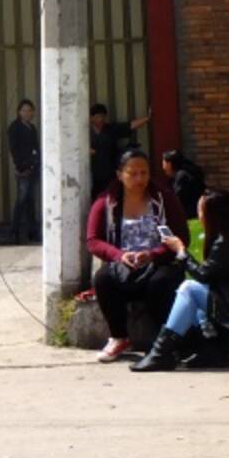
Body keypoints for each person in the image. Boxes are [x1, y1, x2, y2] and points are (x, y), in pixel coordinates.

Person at [133, 189, 229, 372]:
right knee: (198, 290)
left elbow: (202, 274)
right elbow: (211, 276)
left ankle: (160, 354)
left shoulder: (226, 242)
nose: (199, 216)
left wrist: (180, 251)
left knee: (188, 289)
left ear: (214, 215)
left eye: (201, 211)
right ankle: (212, 350)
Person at [86, 147, 189, 363]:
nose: (139, 179)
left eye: (144, 173)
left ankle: (164, 340)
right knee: (103, 279)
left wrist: (153, 254)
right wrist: (118, 255)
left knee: (160, 283)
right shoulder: (106, 202)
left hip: (160, 262)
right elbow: (93, 240)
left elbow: (181, 236)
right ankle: (119, 337)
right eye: (132, 173)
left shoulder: (164, 199)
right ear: (119, 174)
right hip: (124, 264)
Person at [89, 103, 151, 198]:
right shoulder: (85, 132)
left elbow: (130, 125)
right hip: (92, 175)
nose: (100, 119)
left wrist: (147, 118)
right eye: (97, 116)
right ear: (91, 118)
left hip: (110, 173)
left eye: (103, 116)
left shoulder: (111, 129)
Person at [7, 98, 40, 244]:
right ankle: (14, 232)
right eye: (24, 110)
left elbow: (36, 148)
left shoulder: (32, 128)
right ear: (19, 112)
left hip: (33, 168)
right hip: (23, 170)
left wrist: (36, 163)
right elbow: (14, 149)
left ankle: (32, 232)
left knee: (30, 200)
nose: (27, 113)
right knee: (21, 200)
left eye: (29, 110)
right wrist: (20, 167)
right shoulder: (14, 128)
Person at [161, 149, 207, 220]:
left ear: (169, 164)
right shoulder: (188, 173)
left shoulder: (182, 177)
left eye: (164, 163)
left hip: (190, 215)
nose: (163, 166)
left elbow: (179, 199)